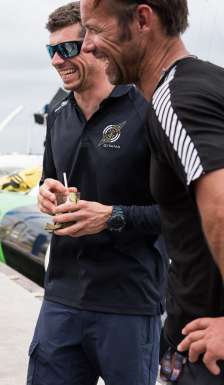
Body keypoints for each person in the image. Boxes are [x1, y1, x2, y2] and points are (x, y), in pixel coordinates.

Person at [80, 0, 224, 382]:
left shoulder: (174, 101)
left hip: (208, 351)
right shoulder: (211, 82)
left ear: (142, 19)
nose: (87, 46)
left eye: (96, 29)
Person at [29, 3, 165, 384]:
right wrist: (45, 191)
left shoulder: (147, 109)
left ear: (95, 45)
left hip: (128, 302)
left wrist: (111, 217)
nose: (57, 60)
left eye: (67, 49)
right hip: (61, 298)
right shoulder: (57, 112)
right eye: (50, 50)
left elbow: (178, 213)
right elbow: (50, 177)